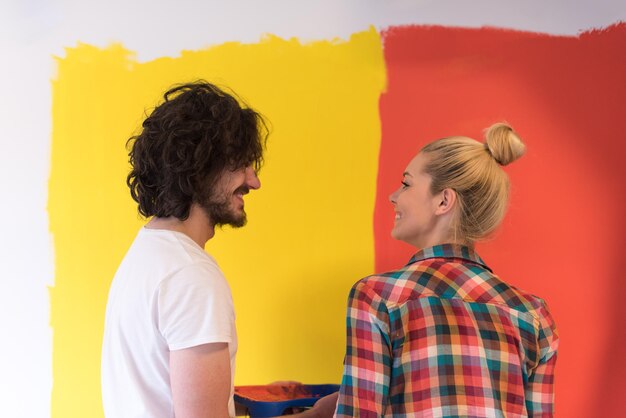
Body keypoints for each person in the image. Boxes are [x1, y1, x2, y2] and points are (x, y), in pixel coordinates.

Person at [334, 123, 558, 417]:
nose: (393, 196)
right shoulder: (533, 314)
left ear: (444, 200)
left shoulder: (378, 297)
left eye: (406, 184)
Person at [101, 81, 267, 418]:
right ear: (199, 166)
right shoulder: (191, 276)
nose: (254, 181)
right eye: (241, 164)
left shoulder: (148, 252)